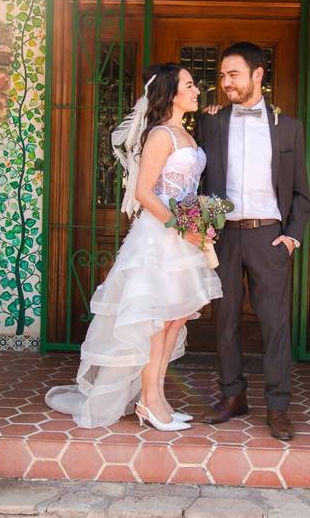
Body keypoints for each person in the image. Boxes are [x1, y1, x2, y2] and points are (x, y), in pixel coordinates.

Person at [45, 63, 221, 431]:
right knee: (156, 322)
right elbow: (144, 192)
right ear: (171, 93)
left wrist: (199, 222)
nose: (196, 91)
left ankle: (155, 397)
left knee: (174, 319)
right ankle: (150, 402)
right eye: (189, 85)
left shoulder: (185, 134)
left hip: (183, 237)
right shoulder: (161, 135)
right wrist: (182, 226)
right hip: (160, 237)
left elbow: (184, 190)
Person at [195, 42, 310, 441]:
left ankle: (278, 406)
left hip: (269, 237)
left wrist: (292, 237)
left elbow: (300, 192)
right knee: (224, 321)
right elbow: (196, 180)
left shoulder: (289, 127)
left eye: (234, 75)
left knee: (274, 324)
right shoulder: (210, 122)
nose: (225, 82)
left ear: (257, 75)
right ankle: (232, 396)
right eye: (222, 75)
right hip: (224, 235)